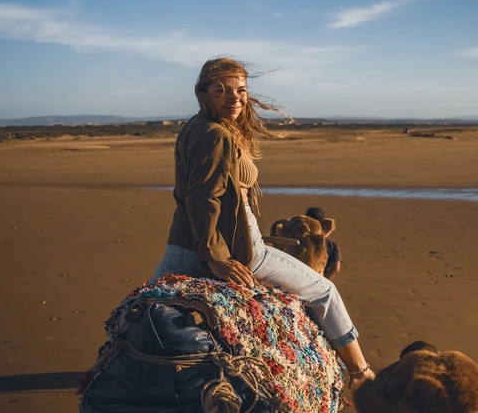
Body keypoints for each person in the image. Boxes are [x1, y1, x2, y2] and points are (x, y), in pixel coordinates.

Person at [151, 57, 375, 390]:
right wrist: (216, 258)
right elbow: (203, 198)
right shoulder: (216, 136)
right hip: (234, 248)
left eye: (240, 89)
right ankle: (361, 373)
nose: (234, 97)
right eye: (221, 89)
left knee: (142, 314)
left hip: (178, 248)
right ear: (202, 93)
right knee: (325, 291)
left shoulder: (194, 127)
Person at [304, 207, 342, 279]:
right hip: (318, 280)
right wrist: (322, 281)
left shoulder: (296, 240)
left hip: (295, 281)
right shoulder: (331, 245)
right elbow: (335, 269)